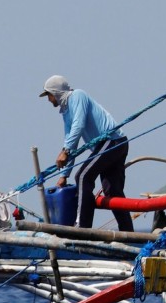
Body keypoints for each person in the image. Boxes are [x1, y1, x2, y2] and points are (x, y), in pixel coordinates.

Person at [40, 75, 134, 232]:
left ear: (56, 92)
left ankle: (83, 228)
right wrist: (64, 175)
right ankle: (128, 233)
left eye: (49, 95)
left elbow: (78, 125)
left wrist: (65, 151)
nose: (49, 100)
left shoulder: (77, 96)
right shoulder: (66, 112)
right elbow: (70, 140)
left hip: (112, 140)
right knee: (112, 191)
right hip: (113, 144)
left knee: (83, 176)